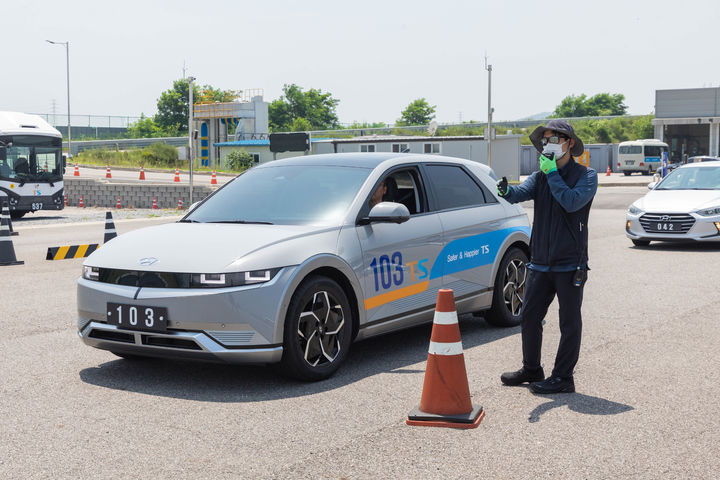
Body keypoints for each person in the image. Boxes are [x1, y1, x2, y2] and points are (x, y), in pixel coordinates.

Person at [496, 119, 598, 394]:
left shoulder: (587, 176)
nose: (548, 145)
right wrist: (506, 191)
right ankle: (532, 369)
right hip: (540, 261)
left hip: (570, 263)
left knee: (569, 321)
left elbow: (571, 201)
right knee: (529, 316)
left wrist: (552, 173)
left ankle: (563, 377)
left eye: (554, 140)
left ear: (569, 143)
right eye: (545, 141)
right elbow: (520, 193)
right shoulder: (540, 174)